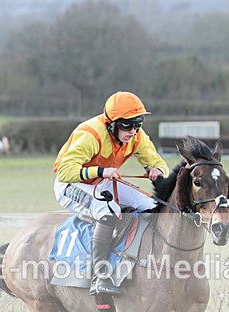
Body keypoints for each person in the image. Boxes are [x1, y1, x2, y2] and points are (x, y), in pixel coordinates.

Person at [53, 91, 169, 296]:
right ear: (111, 124)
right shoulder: (90, 134)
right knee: (109, 211)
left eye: (137, 124)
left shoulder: (136, 136)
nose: (133, 131)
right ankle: (101, 276)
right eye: (127, 125)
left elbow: (158, 161)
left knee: (153, 207)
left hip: (104, 182)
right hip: (72, 185)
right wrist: (100, 171)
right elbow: (64, 172)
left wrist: (157, 170)